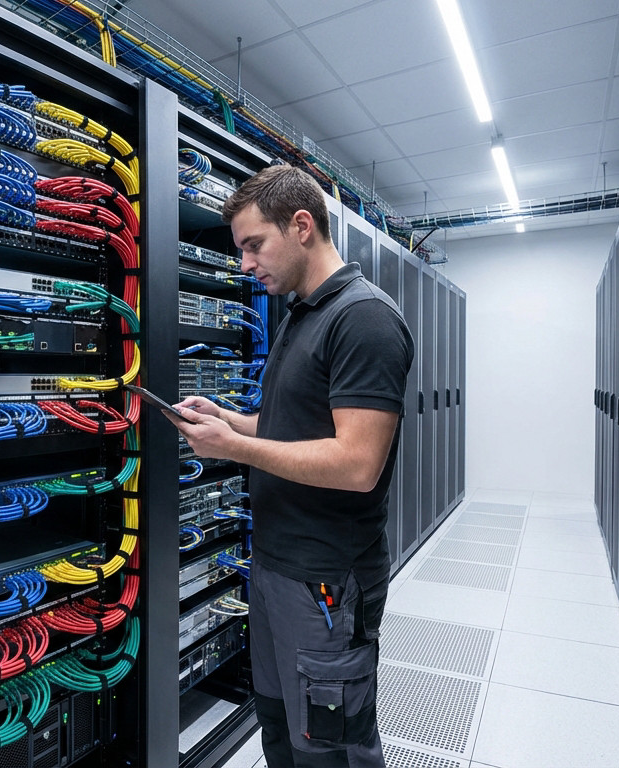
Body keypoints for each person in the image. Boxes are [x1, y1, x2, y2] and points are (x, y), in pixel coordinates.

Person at [173, 165, 413, 768]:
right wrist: (229, 420)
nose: (246, 264)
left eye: (255, 244)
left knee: (330, 749)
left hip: (327, 579)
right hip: (278, 568)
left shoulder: (363, 318)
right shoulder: (302, 314)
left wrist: (236, 449)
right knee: (281, 731)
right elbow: (293, 430)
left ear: (301, 225)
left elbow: (357, 461)